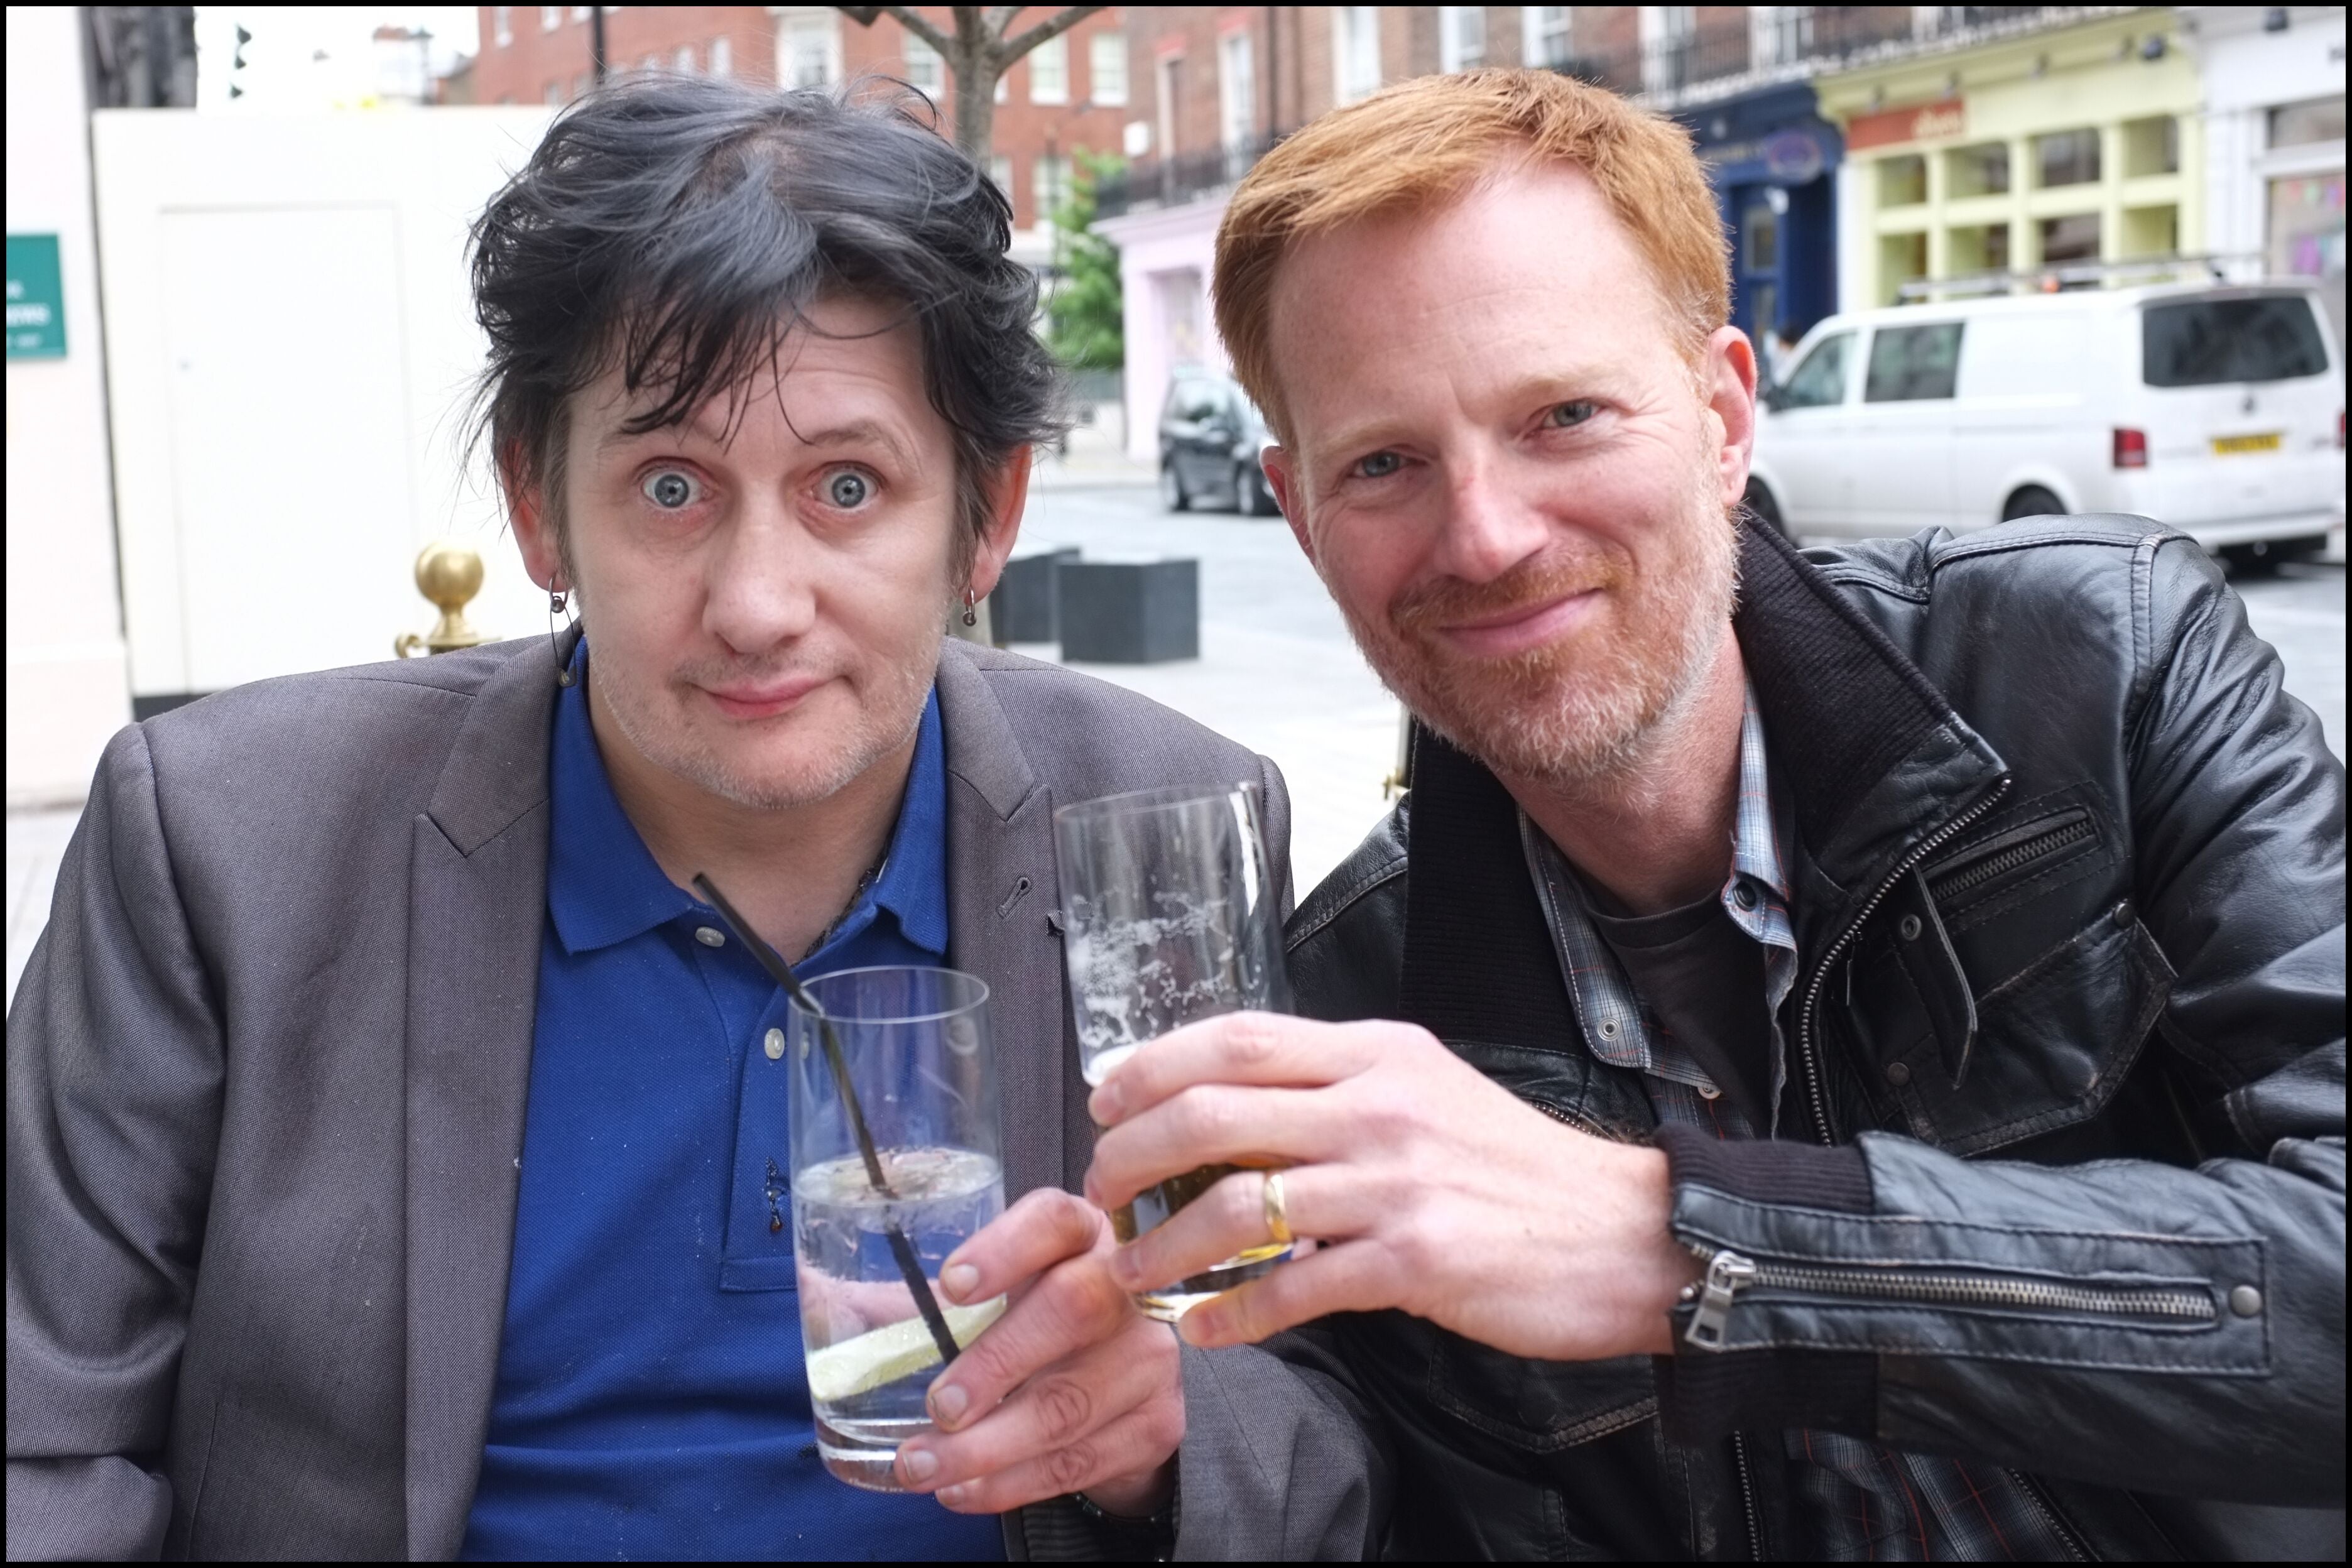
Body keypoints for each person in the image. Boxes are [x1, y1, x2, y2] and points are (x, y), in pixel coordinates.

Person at [1083, 68, 2346, 1559]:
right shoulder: (1358, 999)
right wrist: (1147, 1448)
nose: (1486, 537)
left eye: (1563, 414)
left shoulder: (2103, 665)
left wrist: (1679, 1244)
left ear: (1724, 414)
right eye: (1385, 464)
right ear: (1301, 517)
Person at [6, 77, 1275, 1560]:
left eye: (848, 486)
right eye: (671, 486)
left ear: (985, 517)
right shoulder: (227, 846)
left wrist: (1165, 1442)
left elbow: (1329, 1417)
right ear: (539, 507)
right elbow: (41, 1438)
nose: (755, 604)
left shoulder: (1170, 829)